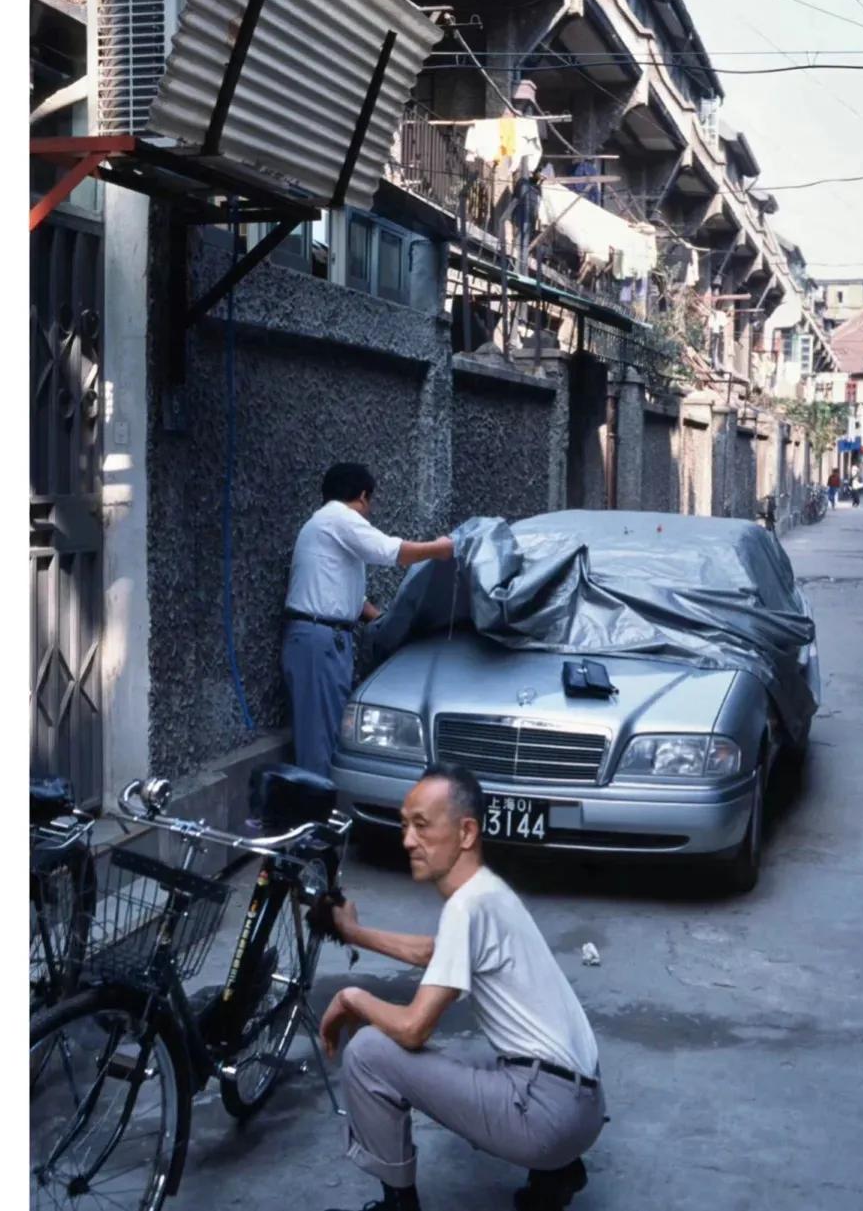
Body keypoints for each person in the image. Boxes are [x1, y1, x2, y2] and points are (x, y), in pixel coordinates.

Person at [316, 764, 606, 1211]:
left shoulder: (465, 908)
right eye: (404, 825)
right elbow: (432, 952)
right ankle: (556, 1173)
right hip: (583, 1107)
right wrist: (353, 933)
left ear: (466, 832)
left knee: (370, 1051)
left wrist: (350, 997)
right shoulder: (488, 892)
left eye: (421, 825)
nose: (407, 840)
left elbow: (413, 1029)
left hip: (546, 1115)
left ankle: (399, 1205)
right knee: (468, 1055)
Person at [282, 463, 454, 778]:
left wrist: (382, 619)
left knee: (327, 734)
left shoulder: (325, 527)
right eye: (370, 503)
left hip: (324, 638)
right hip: (319, 640)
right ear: (363, 496)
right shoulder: (338, 517)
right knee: (318, 742)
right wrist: (440, 549)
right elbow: (391, 552)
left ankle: (320, 802)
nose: (369, 512)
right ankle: (313, 807)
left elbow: (344, 593)